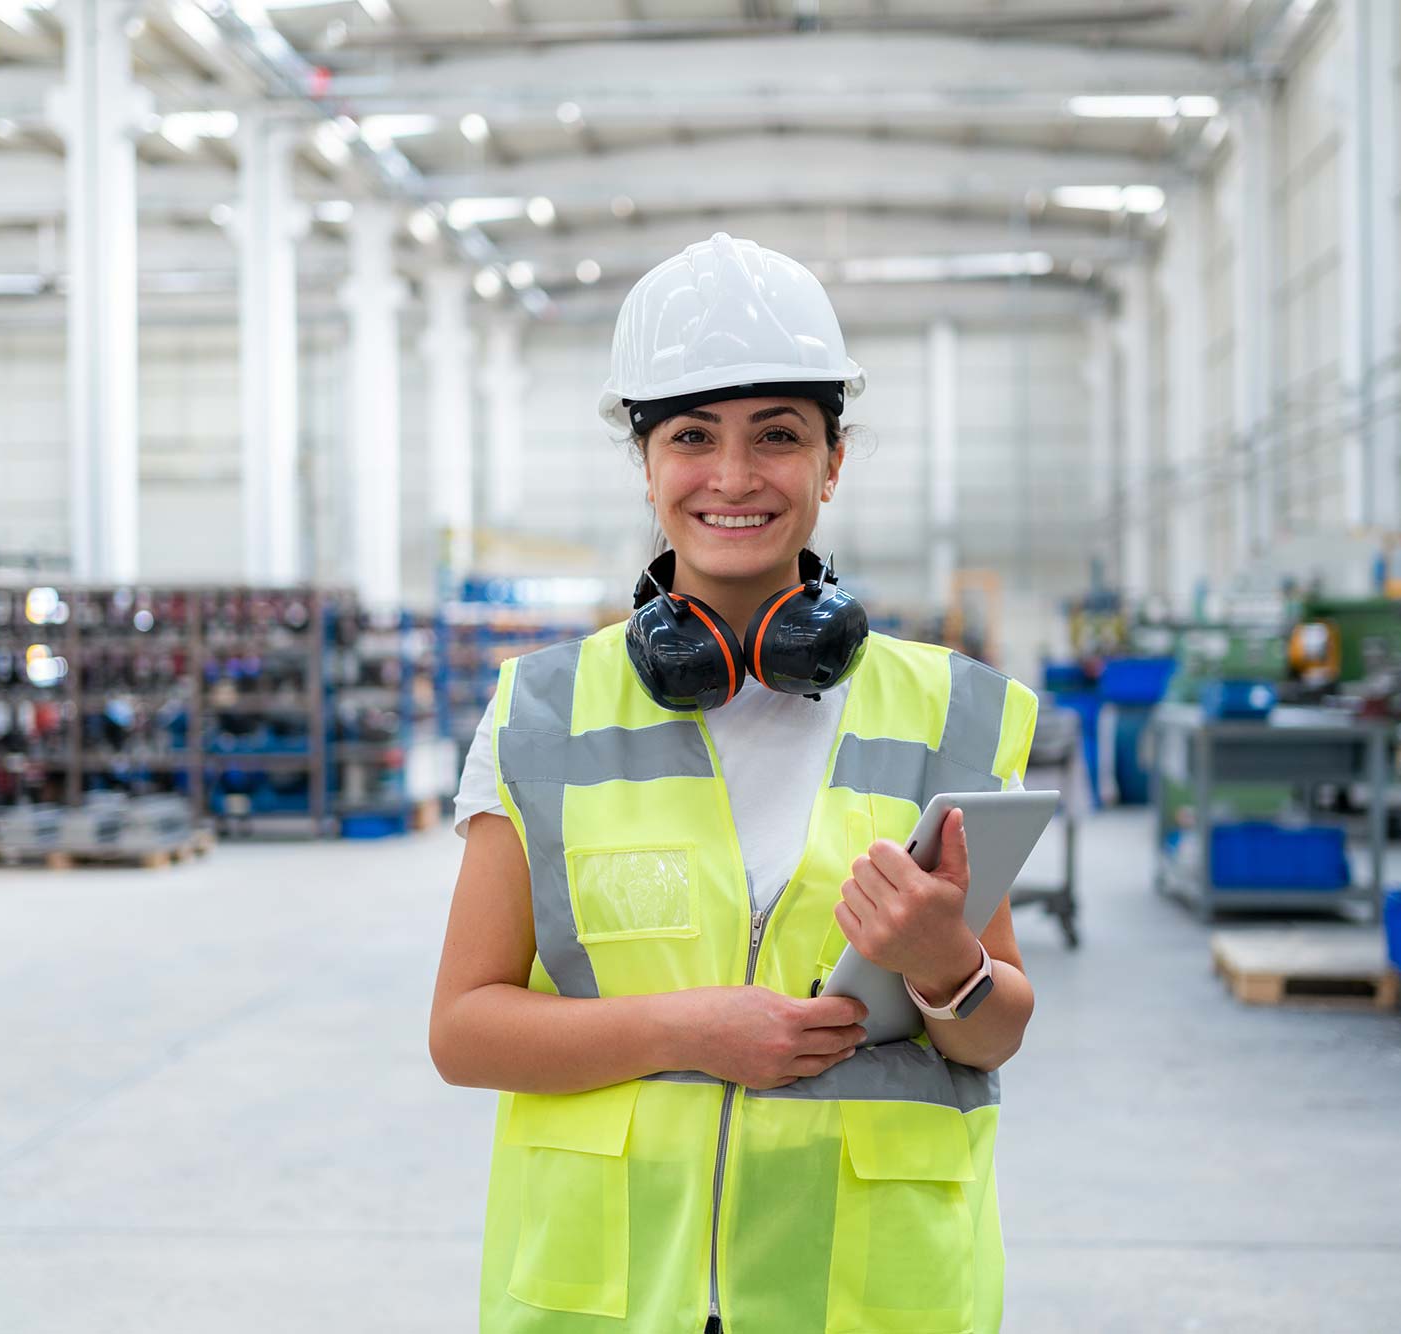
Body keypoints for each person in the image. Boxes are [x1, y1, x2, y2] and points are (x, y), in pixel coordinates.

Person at [431, 232, 1039, 1333]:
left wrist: (943, 961)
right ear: (645, 460)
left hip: (866, 1298)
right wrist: (688, 1029)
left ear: (831, 460)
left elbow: (993, 1029)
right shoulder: (541, 710)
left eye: (776, 435)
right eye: (690, 437)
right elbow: (464, 1028)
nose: (731, 476)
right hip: (606, 1298)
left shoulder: (946, 710)